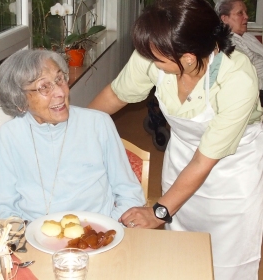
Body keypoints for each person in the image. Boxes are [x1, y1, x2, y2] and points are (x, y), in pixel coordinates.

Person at [88, 0, 263, 279]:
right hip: (182, 160)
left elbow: (203, 161)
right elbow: (115, 95)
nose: (149, 60)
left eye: (157, 59)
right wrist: (75, 129)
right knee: (180, 255)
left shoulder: (237, 78)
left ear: (189, 58)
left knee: (227, 262)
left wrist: (158, 211)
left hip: (232, 171)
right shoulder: (158, 50)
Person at [0, 49, 145, 222]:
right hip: (34, 237)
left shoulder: (97, 123)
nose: (60, 92)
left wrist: (106, 227)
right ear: (20, 101)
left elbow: (130, 194)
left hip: (96, 234)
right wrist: (27, 236)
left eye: (59, 79)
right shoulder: (10, 135)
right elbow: (6, 207)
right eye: (44, 87)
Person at [215, 0, 263, 105]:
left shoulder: (247, 36)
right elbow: (244, 77)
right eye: (240, 13)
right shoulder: (227, 43)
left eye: (246, 12)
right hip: (257, 92)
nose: (246, 17)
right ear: (224, 19)